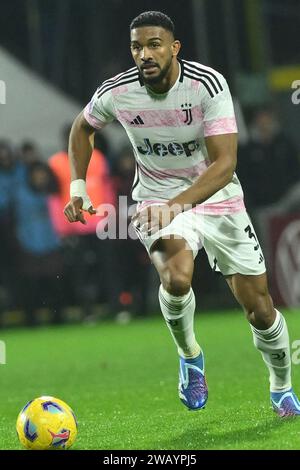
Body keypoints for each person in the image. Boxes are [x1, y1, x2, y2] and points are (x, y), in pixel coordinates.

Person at [64, 11, 300, 417]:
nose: (144, 54)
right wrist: (78, 186)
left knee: (260, 309)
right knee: (175, 279)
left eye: (154, 44)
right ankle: (190, 357)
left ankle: (281, 388)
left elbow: (224, 164)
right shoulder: (117, 92)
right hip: (157, 200)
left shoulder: (207, 85)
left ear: (174, 48)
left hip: (218, 197)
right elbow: (82, 128)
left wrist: (176, 206)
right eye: (137, 46)